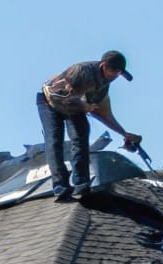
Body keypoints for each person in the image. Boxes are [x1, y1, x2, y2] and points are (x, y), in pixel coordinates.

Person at [36, 50, 141, 201]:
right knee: (54, 140)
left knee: (81, 135)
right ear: (103, 66)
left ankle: (81, 182)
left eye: (118, 73)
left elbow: (101, 112)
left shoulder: (104, 85)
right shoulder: (81, 72)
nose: (114, 76)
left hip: (75, 104)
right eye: (112, 72)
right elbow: (61, 97)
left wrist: (124, 134)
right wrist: (84, 107)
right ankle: (60, 185)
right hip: (50, 101)